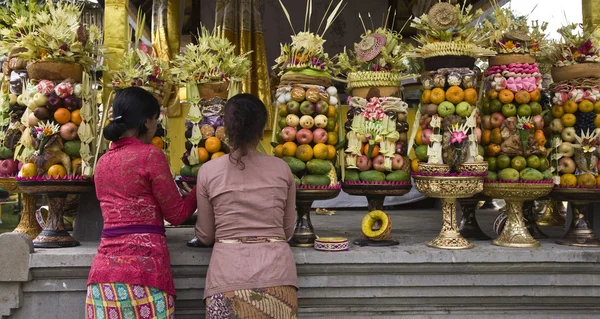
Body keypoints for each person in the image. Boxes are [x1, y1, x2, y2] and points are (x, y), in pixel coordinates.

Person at [87, 87, 196, 319]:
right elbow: (176, 215)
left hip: (103, 279)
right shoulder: (150, 155)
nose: (156, 125)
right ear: (147, 121)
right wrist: (200, 188)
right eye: (156, 119)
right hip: (145, 277)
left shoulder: (102, 163)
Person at [195, 93, 298, 318]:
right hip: (278, 276)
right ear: (262, 130)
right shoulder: (282, 169)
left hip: (227, 277)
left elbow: (205, 235)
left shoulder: (208, 172)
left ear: (227, 129)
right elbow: (288, 230)